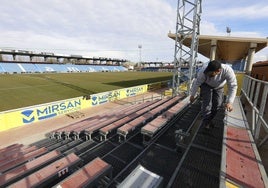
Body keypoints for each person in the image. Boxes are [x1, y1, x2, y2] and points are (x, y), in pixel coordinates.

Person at [190, 60, 237, 129]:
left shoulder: (228, 71)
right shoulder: (203, 71)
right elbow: (197, 83)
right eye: (208, 73)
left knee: (218, 104)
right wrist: (192, 95)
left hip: (219, 86)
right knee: (207, 103)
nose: (208, 75)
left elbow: (233, 86)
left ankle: (210, 119)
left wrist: (229, 102)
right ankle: (206, 122)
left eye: (211, 74)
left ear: (218, 71)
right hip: (206, 85)